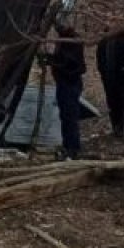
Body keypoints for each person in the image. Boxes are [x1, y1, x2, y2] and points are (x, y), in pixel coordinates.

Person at [47, 25, 86, 160]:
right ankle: (68, 146)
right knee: (66, 116)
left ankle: (72, 148)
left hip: (69, 83)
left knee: (69, 116)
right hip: (65, 83)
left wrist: (53, 59)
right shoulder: (66, 42)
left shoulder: (72, 43)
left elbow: (69, 63)